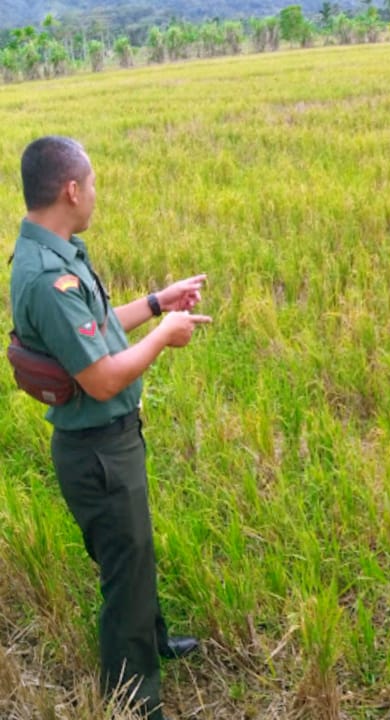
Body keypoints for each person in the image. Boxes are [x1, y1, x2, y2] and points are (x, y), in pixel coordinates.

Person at [9, 136, 212, 719]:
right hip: (98, 450)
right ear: (71, 190)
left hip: (109, 443)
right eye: (92, 184)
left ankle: (150, 643)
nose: (96, 194)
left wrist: (155, 302)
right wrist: (164, 336)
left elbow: (93, 330)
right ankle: (135, 698)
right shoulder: (48, 276)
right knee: (124, 570)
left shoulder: (59, 251)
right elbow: (100, 378)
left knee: (135, 554)